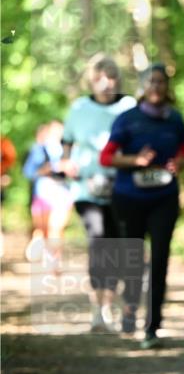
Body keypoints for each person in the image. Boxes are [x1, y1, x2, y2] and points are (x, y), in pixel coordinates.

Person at [100, 63, 184, 349]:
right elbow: (106, 158)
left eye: (161, 82)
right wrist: (134, 161)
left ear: (167, 87)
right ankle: (129, 309)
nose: (156, 87)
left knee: (160, 258)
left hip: (163, 198)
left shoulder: (175, 119)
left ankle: (152, 325)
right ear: (142, 86)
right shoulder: (127, 119)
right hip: (129, 198)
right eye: (151, 82)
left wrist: (180, 163)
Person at [61, 54, 136, 332]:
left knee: (116, 246)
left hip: (122, 188)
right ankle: (98, 308)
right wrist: (66, 161)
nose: (105, 83)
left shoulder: (129, 107)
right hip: (86, 188)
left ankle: (109, 305)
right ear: (91, 81)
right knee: (98, 242)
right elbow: (66, 142)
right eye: (98, 78)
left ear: (118, 79)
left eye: (111, 77)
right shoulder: (78, 108)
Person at [22, 120, 74, 262]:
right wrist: (51, 167)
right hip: (43, 193)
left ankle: (54, 260)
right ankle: (47, 255)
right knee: (44, 229)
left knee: (56, 228)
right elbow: (28, 172)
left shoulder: (68, 149)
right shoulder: (39, 150)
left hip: (62, 192)